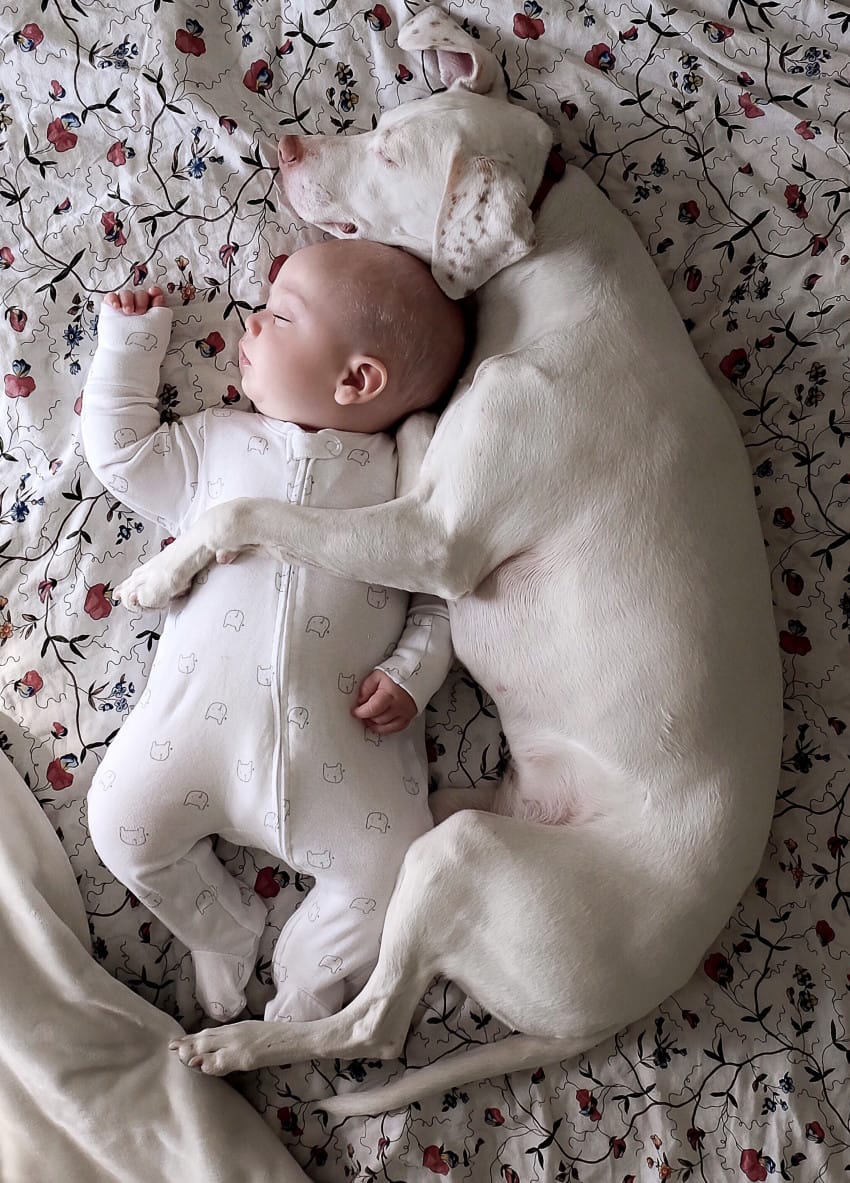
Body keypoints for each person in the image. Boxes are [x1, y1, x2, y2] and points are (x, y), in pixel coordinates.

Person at [81, 239, 466, 1024]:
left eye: (282, 315)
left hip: (341, 764)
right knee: (119, 823)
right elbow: (121, 456)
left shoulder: (404, 479)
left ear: (357, 380)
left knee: (394, 873)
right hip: (190, 740)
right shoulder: (216, 443)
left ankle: (305, 983)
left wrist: (412, 670)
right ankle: (220, 927)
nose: (250, 323)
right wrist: (128, 347)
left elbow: (439, 596)